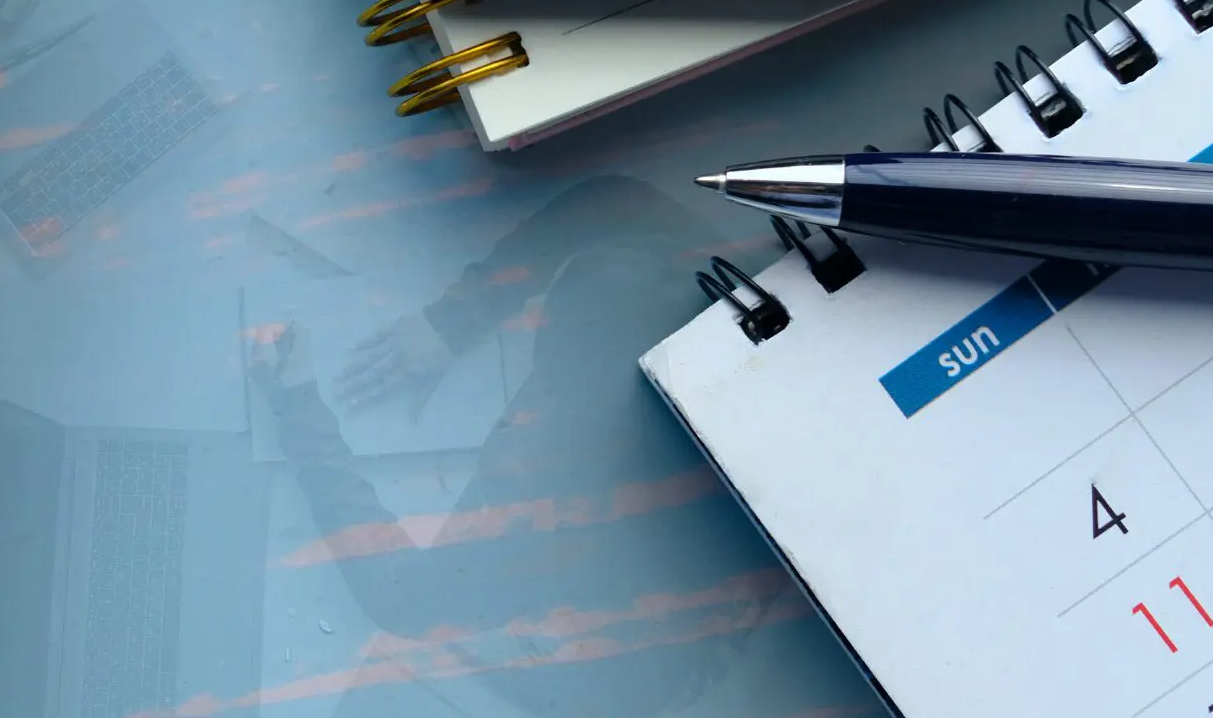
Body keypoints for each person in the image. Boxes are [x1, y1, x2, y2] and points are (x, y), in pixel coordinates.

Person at [252, 175, 877, 717]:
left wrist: (300, 404)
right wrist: (456, 317)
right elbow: (612, 200)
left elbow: (401, 599)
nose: (521, 418)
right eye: (541, 379)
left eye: (558, 403)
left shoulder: (576, 546)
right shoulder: (706, 283)